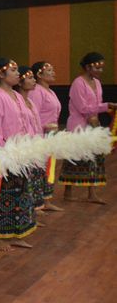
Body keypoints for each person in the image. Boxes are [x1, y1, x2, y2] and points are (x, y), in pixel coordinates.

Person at [0, 58, 38, 251]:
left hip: (23, 153)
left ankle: (16, 233)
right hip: (8, 154)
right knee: (6, 196)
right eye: (13, 70)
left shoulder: (16, 95)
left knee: (22, 194)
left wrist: (32, 147)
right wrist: (2, 152)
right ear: (1, 74)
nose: (17, 74)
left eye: (17, 70)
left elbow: (28, 124)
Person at [60, 52, 117, 204]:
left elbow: (97, 104)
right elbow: (83, 108)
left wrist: (106, 106)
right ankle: (68, 191)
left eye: (102, 68)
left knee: (94, 159)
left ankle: (92, 193)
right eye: (97, 67)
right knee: (74, 158)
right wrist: (106, 106)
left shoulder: (97, 83)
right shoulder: (78, 83)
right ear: (87, 67)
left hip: (93, 125)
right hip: (79, 126)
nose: (100, 71)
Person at [28, 61, 64, 211]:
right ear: (39, 74)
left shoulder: (51, 91)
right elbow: (33, 116)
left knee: (50, 168)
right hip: (41, 136)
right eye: (49, 70)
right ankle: (36, 204)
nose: (53, 72)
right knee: (39, 170)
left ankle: (46, 200)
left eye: (53, 69)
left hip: (51, 136)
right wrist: (44, 128)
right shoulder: (36, 91)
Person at [14, 66, 47, 224]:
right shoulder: (18, 100)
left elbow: (36, 126)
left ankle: (32, 214)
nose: (34, 80)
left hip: (34, 147)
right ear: (20, 82)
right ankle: (28, 216)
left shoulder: (30, 102)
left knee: (35, 182)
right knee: (26, 185)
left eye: (34, 77)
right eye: (30, 77)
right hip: (24, 148)